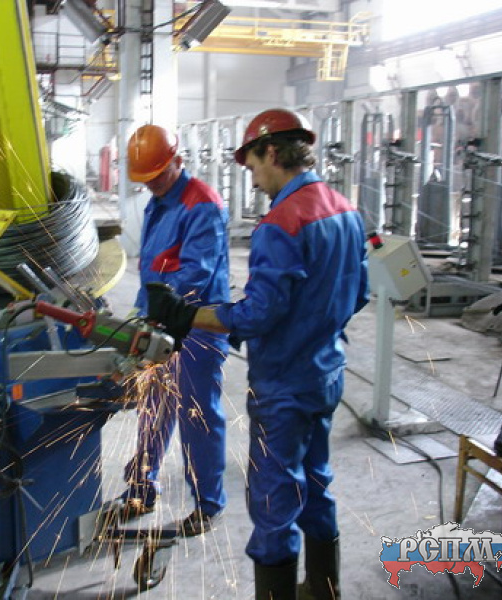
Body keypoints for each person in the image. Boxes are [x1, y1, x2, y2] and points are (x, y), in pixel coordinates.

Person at [145, 109, 369, 599]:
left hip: (284, 384)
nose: (252, 179)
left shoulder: (281, 223)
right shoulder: (345, 209)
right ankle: (324, 587)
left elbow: (256, 315)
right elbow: (360, 294)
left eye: (252, 166)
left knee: (273, 499)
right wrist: (316, 325)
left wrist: (188, 315)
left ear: (271, 152)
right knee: (317, 481)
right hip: (327, 373)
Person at [119, 123, 231, 537]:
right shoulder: (157, 201)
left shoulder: (202, 204)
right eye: (145, 179)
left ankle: (207, 503)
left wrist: (162, 311)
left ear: (177, 161)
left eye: (157, 175)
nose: (151, 185)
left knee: (196, 415)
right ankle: (141, 488)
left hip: (198, 324)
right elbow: (152, 267)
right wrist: (141, 315)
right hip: (160, 320)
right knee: (153, 407)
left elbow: (196, 274)